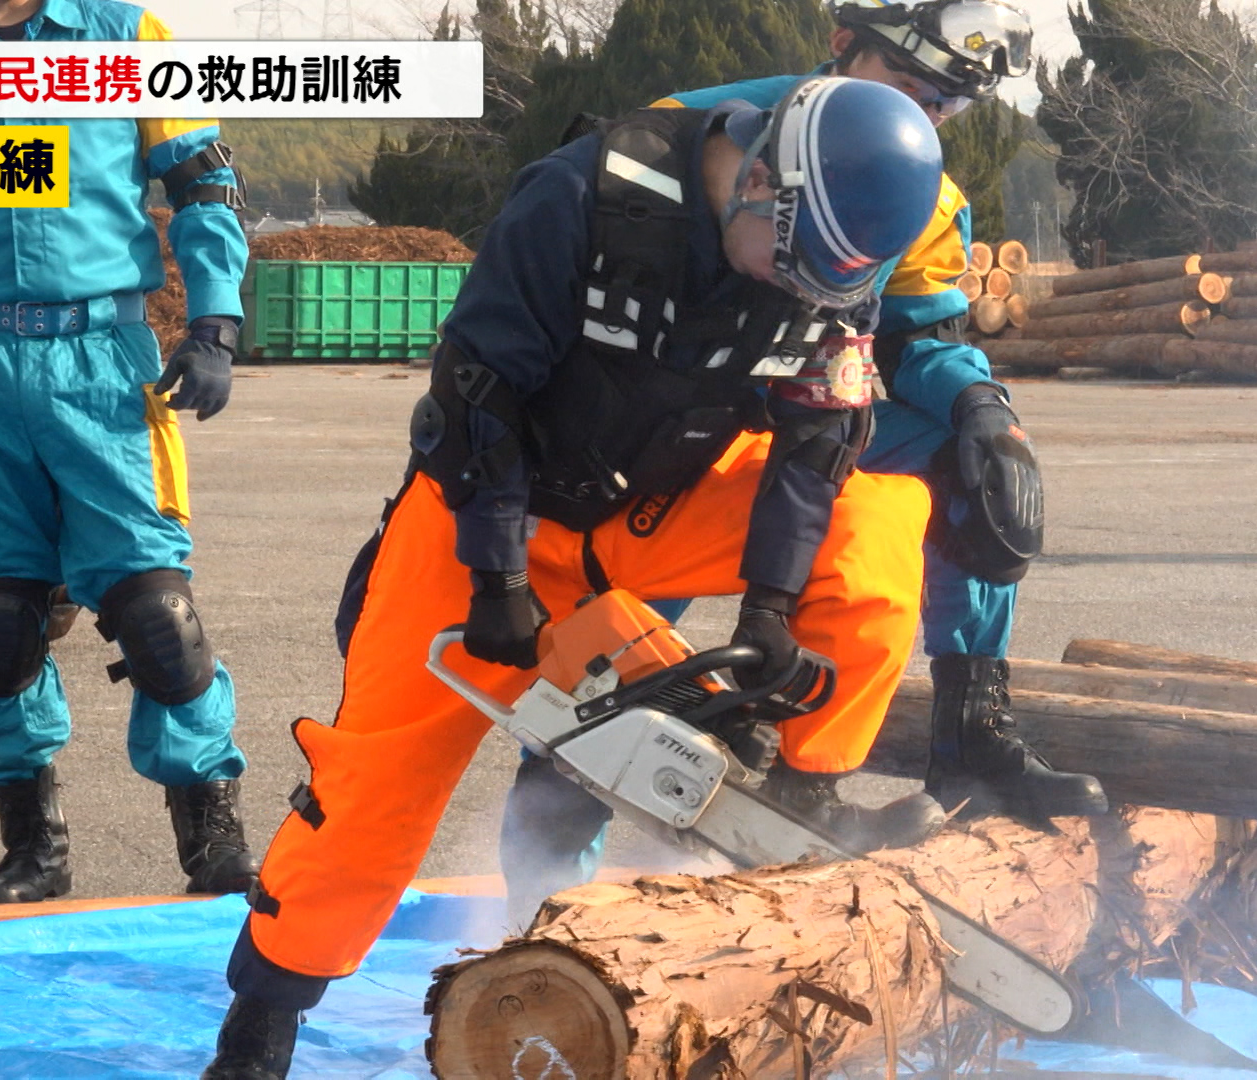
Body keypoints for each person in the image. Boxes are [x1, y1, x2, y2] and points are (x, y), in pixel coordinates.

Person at [200, 76, 947, 1077]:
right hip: (492, 500)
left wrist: (771, 606)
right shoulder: (582, 196)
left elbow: (816, 440)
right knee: (378, 779)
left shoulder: (834, 267)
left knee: (880, 516)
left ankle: (811, 793)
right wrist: (497, 574)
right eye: (792, 264)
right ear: (761, 182)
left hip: (660, 504)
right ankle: (264, 1017)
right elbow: (477, 397)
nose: (800, 293)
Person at [498, 0, 1108, 930]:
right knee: (605, 660)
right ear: (842, 45)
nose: (925, 117)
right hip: (644, 430)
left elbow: (917, 338)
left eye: (948, 106)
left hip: (803, 414)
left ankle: (954, 741)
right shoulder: (677, 141)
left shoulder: (920, 190)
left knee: (967, 468)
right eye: (909, 85)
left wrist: (983, 411)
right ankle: (540, 887)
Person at [0, 0, 261, 905]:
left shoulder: (129, 39)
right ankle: (33, 847)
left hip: (104, 361)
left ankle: (213, 838)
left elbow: (201, 183)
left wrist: (215, 320)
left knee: (158, 615)